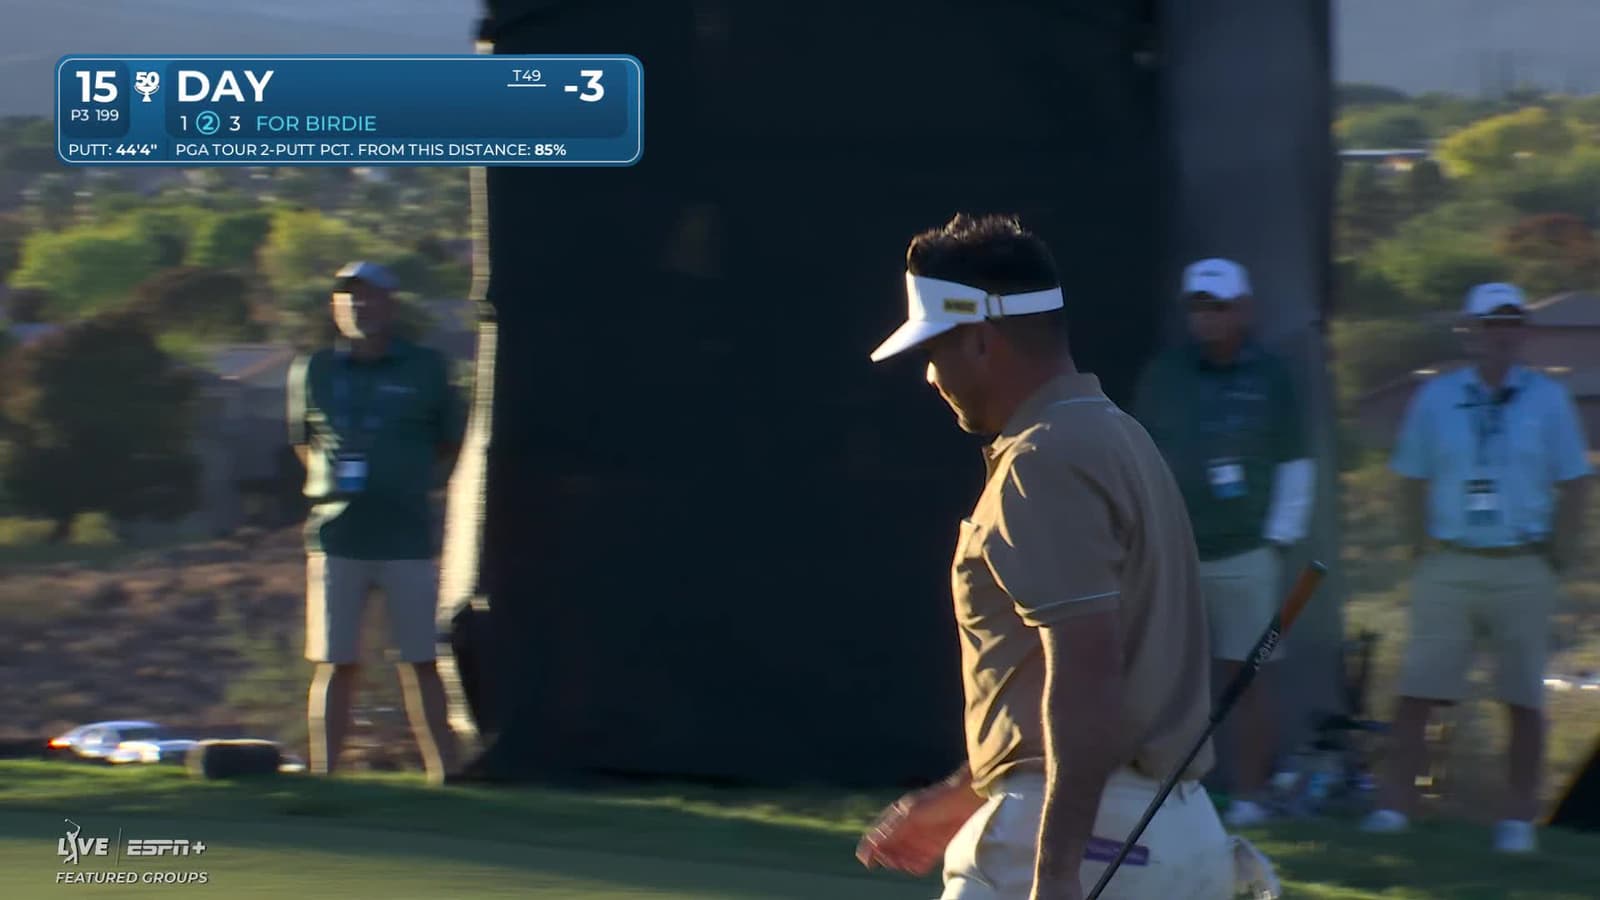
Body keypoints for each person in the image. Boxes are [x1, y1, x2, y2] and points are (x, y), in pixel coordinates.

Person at [857, 214, 1236, 900]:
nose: (931, 378)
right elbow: (1055, 686)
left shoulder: (1043, 459)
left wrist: (1056, 869)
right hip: (1179, 837)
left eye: (935, 353)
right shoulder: (1120, 437)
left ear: (979, 341)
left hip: (1084, 842)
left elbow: (1087, 671)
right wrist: (965, 792)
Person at [1363, 282, 1591, 852]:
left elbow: (1575, 482)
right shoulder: (1437, 397)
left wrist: (1558, 555)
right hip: (1451, 561)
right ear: (1470, 331)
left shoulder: (1548, 398)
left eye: (1512, 322)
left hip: (1522, 562)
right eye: (1491, 324)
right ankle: (1397, 807)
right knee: (1418, 692)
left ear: (1524, 332)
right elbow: (1410, 480)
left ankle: (1517, 821)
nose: (1501, 334)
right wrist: (1418, 548)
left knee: (1523, 698)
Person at [1131, 258, 1315, 827]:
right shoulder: (1165, 373)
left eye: (1217, 307)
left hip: (1248, 554)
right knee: (1166, 677)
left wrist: (1276, 540)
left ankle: (1253, 797)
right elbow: (1143, 455)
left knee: (1247, 679)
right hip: (1178, 553)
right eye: (1198, 307)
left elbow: (1294, 459)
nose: (1206, 318)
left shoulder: (1272, 375)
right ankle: (1163, 795)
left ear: (1243, 310)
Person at [287, 261, 465, 784]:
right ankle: (326, 776)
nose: (359, 307)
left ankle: (446, 776)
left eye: (369, 298)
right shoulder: (315, 369)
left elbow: (449, 442)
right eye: (348, 299)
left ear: (391, 304)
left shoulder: (426, 368)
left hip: (406, 536)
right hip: (338, 536)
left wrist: (404, 481)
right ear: (336, 308)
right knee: (336, 661)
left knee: (421, 660)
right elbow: (305, 443)